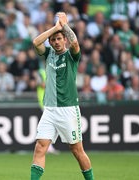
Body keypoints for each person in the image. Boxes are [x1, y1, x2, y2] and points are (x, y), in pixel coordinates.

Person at [31, 12, 94, 180]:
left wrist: (64, 26)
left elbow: (74, 42)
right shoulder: (48, 54)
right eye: (54, 40)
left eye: (59, 38)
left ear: (64, 39)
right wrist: (55, 28)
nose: (57, 42)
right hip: (50, 110)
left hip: (68, 110)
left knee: (77, 151)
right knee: (40, 147)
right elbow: (36, 42)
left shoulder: (71, 56)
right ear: (50, 42)